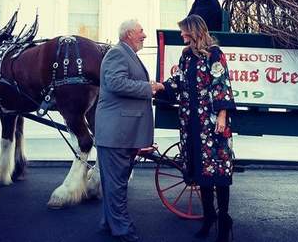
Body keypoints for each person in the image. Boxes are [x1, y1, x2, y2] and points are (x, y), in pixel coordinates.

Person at [154, 14, 236, 242]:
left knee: (217, 172)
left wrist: (222, 114)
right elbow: (178, 82)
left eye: (184, 31)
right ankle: (209, 217)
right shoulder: (186, 56)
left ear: (194, 31)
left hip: (211, 123)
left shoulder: (214, 54)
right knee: (202, 174)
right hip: (191, 124)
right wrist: (161, 86)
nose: (181, 34)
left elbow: (222, 84)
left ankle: (223, 221)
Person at [95, 19, 158, 242]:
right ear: (129, 34)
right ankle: (122, 230)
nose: (145, 35)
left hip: (120, 133)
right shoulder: (118, 53)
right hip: (116, 134)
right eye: (141, 31)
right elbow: (115, 83)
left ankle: (108, 223)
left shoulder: (126, 53)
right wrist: (149, 87)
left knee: (114, 183)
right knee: (117, 185)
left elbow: (122, 82)